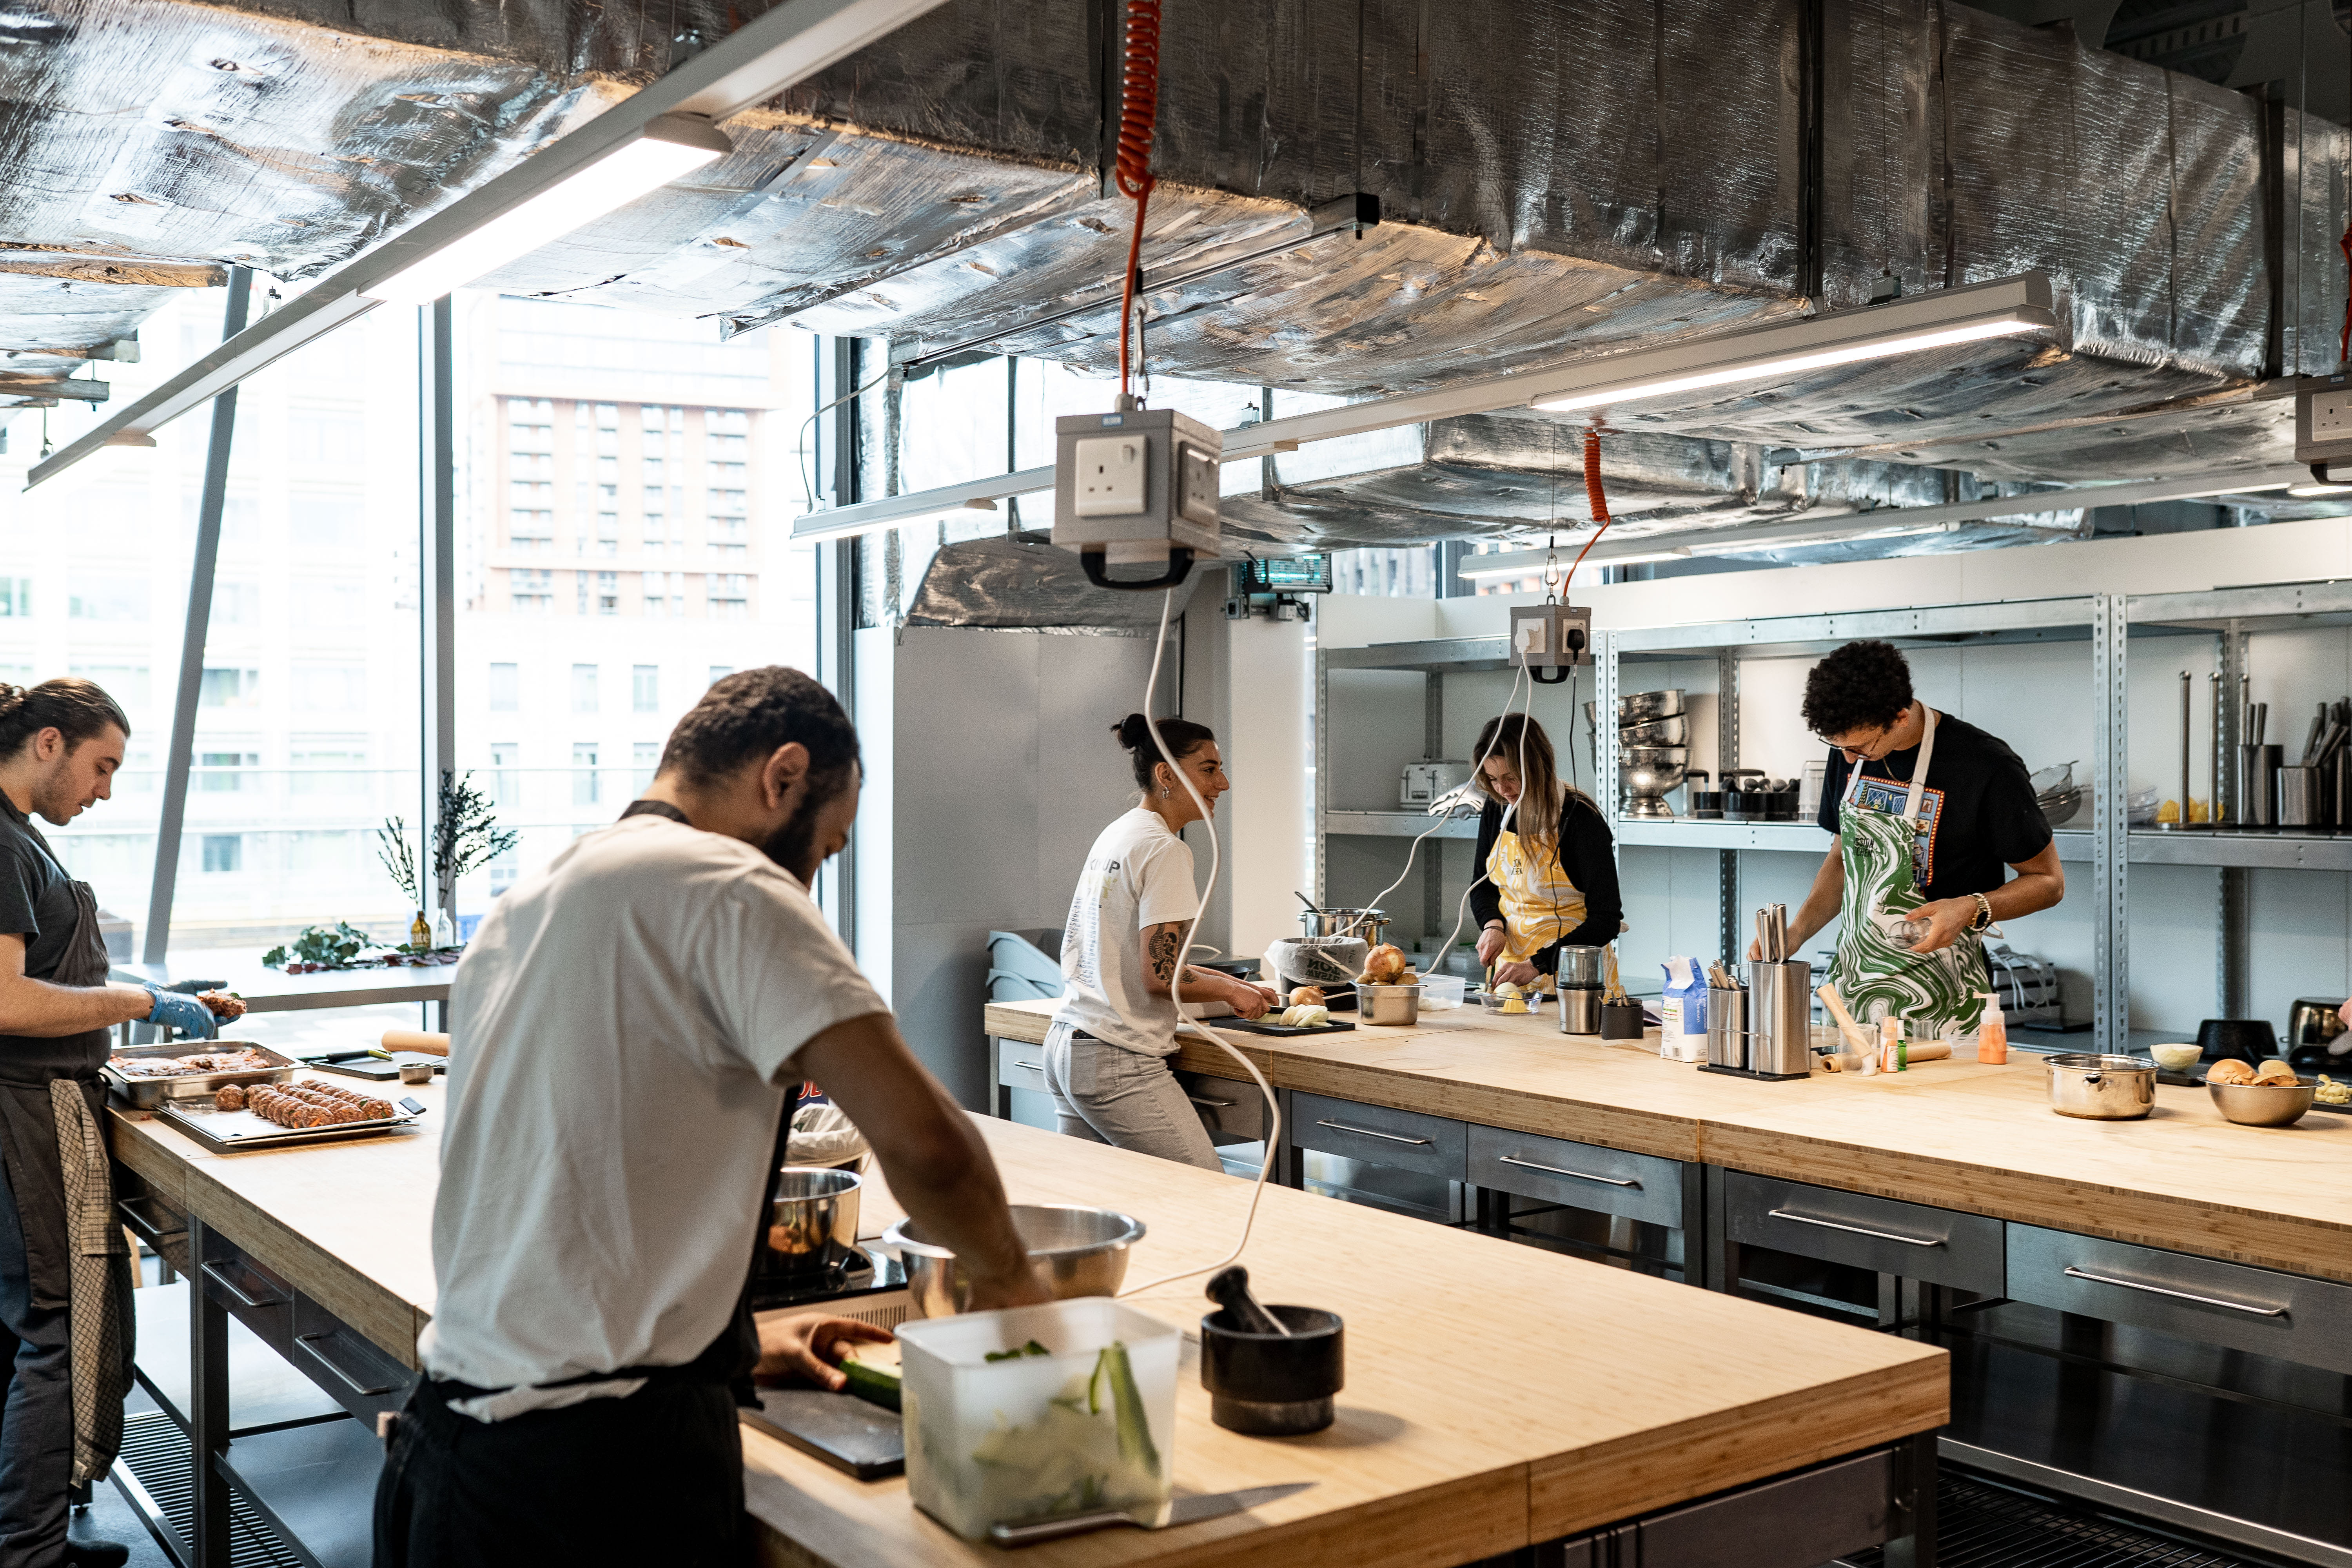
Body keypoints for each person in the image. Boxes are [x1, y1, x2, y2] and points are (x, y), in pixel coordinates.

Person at [374, 668, 1045, 1568]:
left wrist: (725, 1346)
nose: (813, 877)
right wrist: (1016, 1290)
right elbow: (931, 1147)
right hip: (594, 1485)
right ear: (784, 776)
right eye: (827, 847)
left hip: (453, 1456)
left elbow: (578, 1193)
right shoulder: (731, 886)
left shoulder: (529, 903)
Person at [0, 679, 233, 1568]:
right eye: (102, 767)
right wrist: (143, 1002)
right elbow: (9, 1001)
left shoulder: (20, 837)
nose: (104, 791)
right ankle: (31, 1551)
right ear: (49, 742)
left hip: (32, 1104)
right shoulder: (2, 842)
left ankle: (26, 1532)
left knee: (26, 1327)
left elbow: (50, 972)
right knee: (57, 1329)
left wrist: (158, 991)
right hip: (28, 1110)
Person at [1763, 640, 2064, 1038]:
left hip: (1947, 998)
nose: (1848, 759)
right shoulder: (1849, 751)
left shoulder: (1986, 765)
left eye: (1860, 747)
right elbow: (1843, 859)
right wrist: (1797, 933)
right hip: (1857, 990)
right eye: (1838, 747)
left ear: (1900, 717)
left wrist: (1971, 907)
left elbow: (2048, 882)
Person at [1042, 714, 1278, 1171]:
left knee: (1097, 1199)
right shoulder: (1167, 849)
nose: (1223, 783)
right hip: (1116, 1057)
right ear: (1166, 774)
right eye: (1209, 769)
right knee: (1205, 1188)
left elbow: (1143, 961)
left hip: (1069, 1043)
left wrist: (1236, 986)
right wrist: (1229, 991)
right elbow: (1161, 975)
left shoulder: (1121, 832)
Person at [1469, 713, 1623, 989]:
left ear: (1537, 767)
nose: (1502, 789)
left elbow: (1606, 919)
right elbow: (1482, 886)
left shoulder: (1580, 819)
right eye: (1492, 779)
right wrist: (1492, 925)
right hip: (1509, 973)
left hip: (1573, 976)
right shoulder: (1497, 808)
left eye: (1511, 777)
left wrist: (1537, 965)